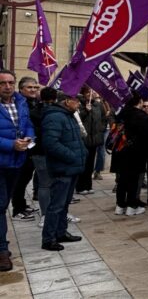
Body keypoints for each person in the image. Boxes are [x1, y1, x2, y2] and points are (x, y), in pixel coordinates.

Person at [41, 91, 85, 252]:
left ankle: (60, 232)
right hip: (62, 167)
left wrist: (82, 153)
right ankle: (48, 238)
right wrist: (72, 156)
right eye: (76, 101)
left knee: (64, 204)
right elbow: (51, 143)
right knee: (56, 205)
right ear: (67, 101)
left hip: (71, 167)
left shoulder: (68, 115)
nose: (79, 103)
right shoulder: (54, 117)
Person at [0, 70, 34, 271]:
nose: (7, 86)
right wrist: (10, 144)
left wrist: (28, 139)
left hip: (16, 162)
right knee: (0, 205)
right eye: (3, 83)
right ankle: (2, 251)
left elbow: (28, 125)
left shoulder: (20, 102)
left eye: (11, 82)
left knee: (3, 205)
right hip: (2, 160)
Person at [110, 93, 148, 216]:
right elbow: (147, 135)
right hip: (135, 152)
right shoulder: (141, 115)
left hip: (120, 151)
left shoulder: (121, 113)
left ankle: (120, 205)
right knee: (133, 179)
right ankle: (132, 206)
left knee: (122, 179)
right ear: (139, 101)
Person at [10, 77, 40, 221]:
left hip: (32, 147)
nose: (33, 90)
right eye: (29, 87)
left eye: (35, 87)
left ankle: (22, 205)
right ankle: (17, 209)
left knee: (26, 178)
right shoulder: (19, 103)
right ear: (21, 89)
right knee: (20, 180)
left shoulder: (34, 102)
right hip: (21, 147)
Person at [33, 87, 57, 229]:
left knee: (44, 184)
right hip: (48, 152)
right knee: (53, 184)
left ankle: (46, 214)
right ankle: (49, 214)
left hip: (39, 151)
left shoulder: (34, 112)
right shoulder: (57, 112)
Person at [76, 86, 106, 195]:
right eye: (88, 92)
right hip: (84, 139)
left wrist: (101, 130)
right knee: (83, 164)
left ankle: (88, 186)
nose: (90, 94)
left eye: (92, 92)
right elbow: (77, 118)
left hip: (94, 139)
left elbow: (103, 119)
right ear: (83, 93)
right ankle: (80, 186)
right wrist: (85, 111)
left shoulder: (98, 105)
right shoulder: (79, 104)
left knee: (90, 164)